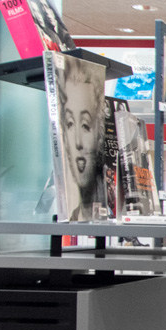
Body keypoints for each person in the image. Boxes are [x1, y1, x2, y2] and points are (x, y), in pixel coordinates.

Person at [55, 55, 110, 220]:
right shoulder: (72, 215)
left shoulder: (111, 207)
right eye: (70, 124)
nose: (78, 142)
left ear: (99, 133)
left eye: (85, 125)